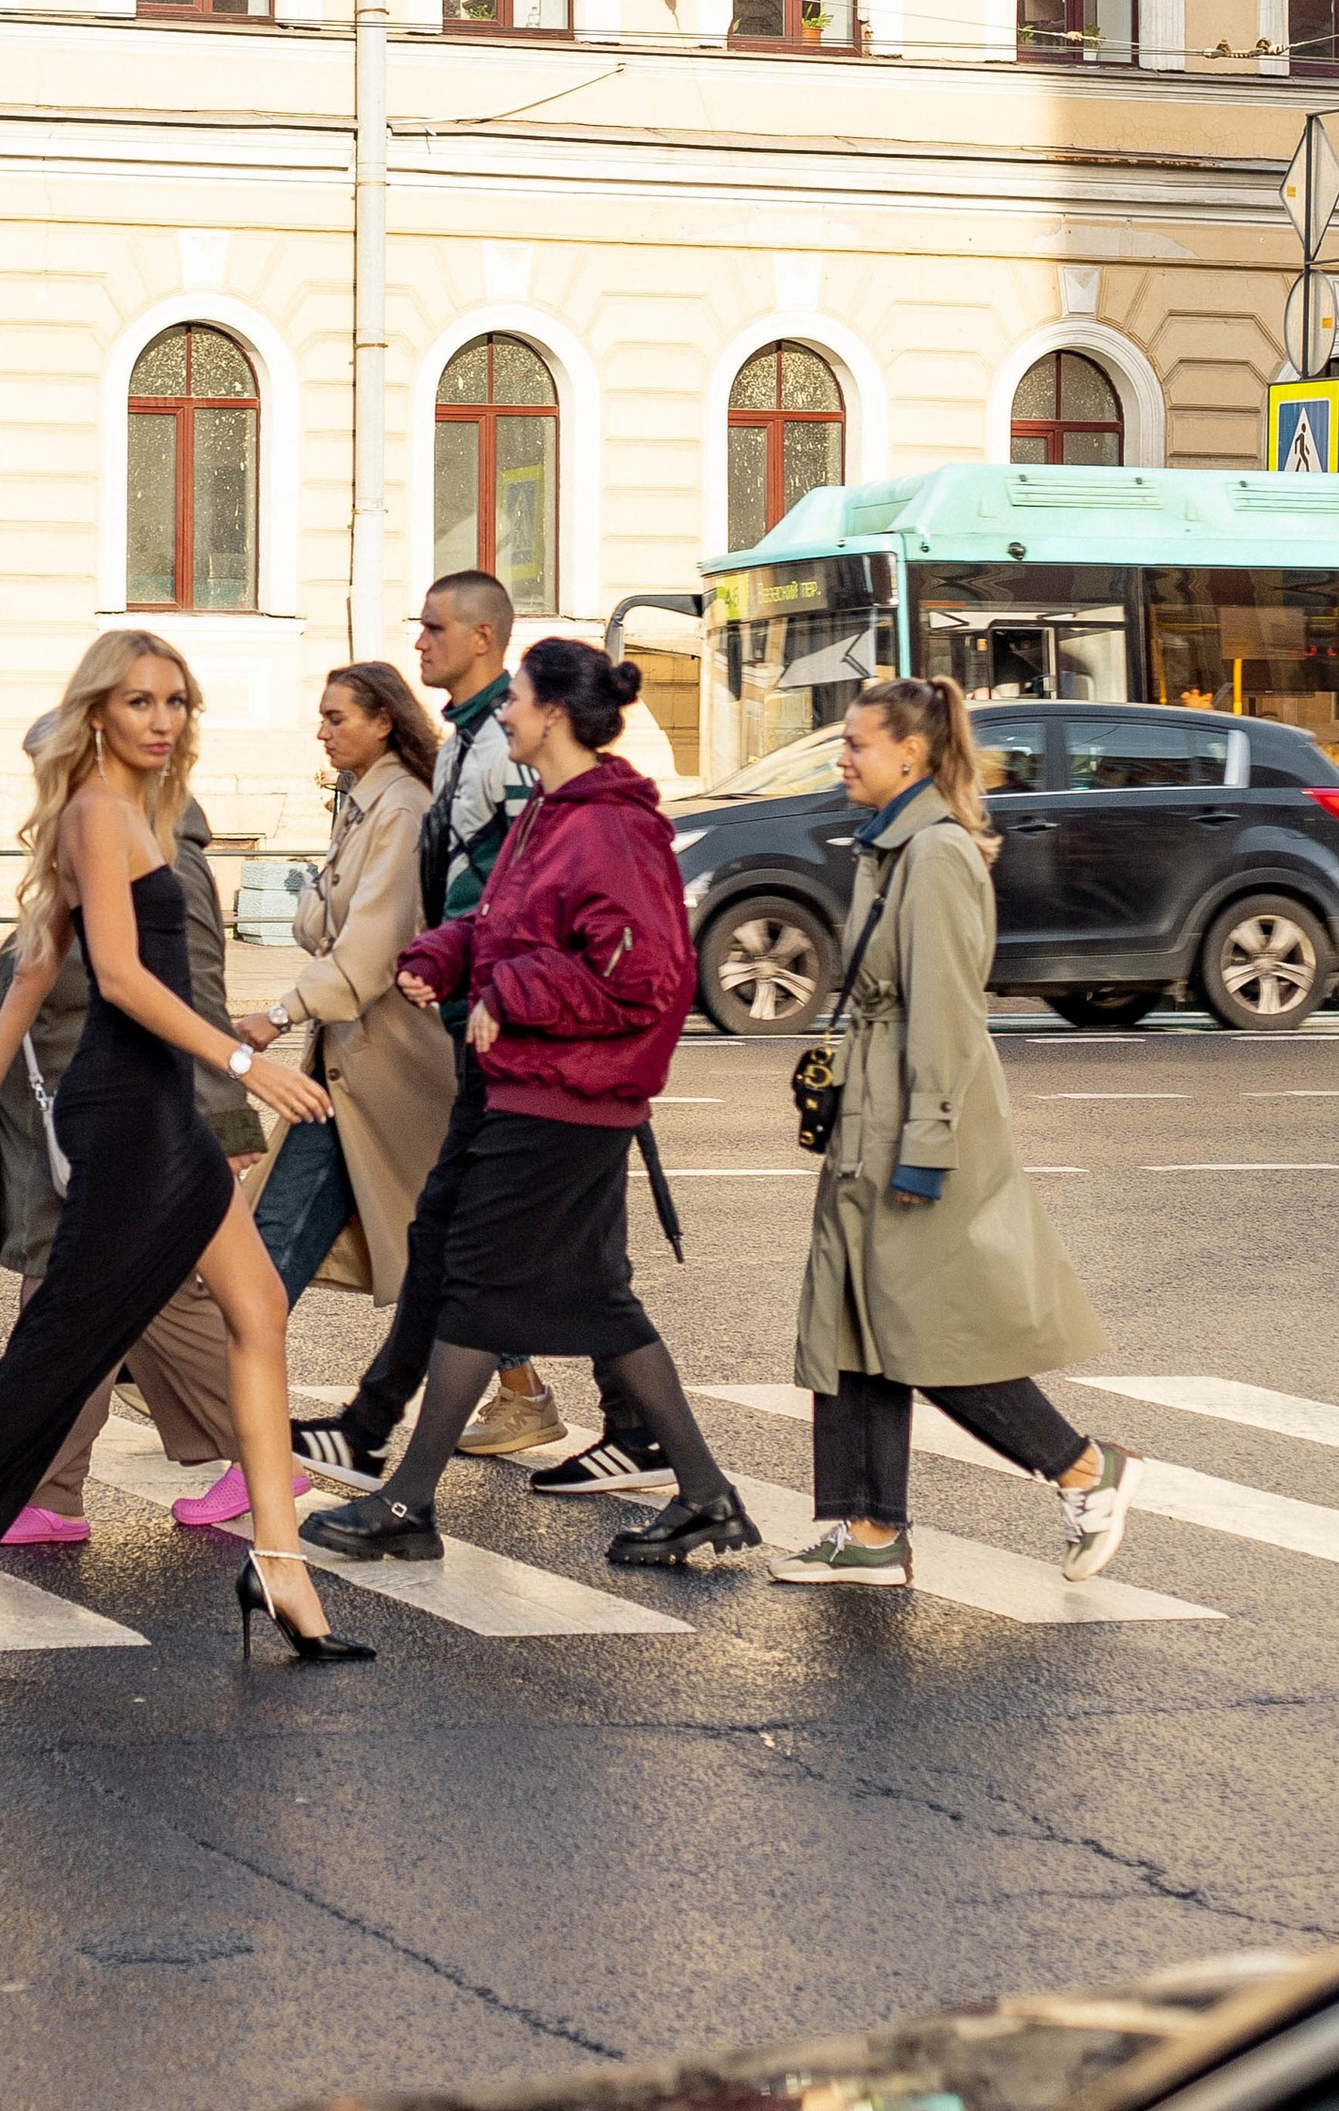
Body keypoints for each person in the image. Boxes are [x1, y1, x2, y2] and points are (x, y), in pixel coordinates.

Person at [0, 631, 368, 1667]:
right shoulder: (97, 811)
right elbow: (125, 979)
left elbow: (37, 959)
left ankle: (279, 1563)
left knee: (257, 1310)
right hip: (130, 1115)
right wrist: (244, 1063)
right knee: (63, 1344)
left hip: (157, 1107)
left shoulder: (132, 810)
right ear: (97, 711)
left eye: (176, 701)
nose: (162, 719)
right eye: (139, 701)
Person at [302, 637, 759, 1574]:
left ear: (552, 712)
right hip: (518, 1082)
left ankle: (407, 1499)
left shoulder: (610, 826)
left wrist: (510, 993)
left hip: (567, 1096)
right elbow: (502, 926)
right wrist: (442, 957)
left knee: (475, 1280)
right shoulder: (550, 811)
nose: (502, 711)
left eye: (514, 697)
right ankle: (707, 1495)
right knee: (584, 1296)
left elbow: (645, 975)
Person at [775, 675, 1141, 1590]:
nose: (841, 758)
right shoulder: (892, 844)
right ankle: (869, 1530)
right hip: (877, 1108)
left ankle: (1083, 1467)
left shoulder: (932, 854)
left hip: (910, 1115)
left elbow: (945, 1011)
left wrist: (926, 1146)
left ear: (911, 754)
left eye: (856, 743)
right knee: (857, 1319)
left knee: (923, 1326)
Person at [289, 577, 652, 1495]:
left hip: (533, 1043)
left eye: (435, 627)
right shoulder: (467, 742)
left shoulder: (514, 752)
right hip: (490, 1029)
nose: (420, 641)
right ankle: (627, 1432)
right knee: (492, 1239)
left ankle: (385, 1438)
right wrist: (446, 959)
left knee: (510, 1247)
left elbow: (543, 903)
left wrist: (496, 982)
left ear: (485, 637)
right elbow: (487, 897)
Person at [0, 773, 271, 1546]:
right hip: (83, 1122)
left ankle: (45, 1490)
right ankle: (254, 1457)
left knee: (66, 1300)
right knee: (145, 1304)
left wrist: (226, 1117)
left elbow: (197, 989)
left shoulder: (166, 850)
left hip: (124, 1121)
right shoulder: (90, 837)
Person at [238, 661, 454, 1323]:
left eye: (337, 718)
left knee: (272, 1244)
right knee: (428, 1250)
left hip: (386, 1063)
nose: (322, 733)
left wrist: (280, 1014)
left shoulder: (402, 808)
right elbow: (318, 925)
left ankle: (209, 1370)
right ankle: (511, 1366)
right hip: (354, 1058)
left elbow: (371, 946)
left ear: (384, 721)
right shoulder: (364, 802)